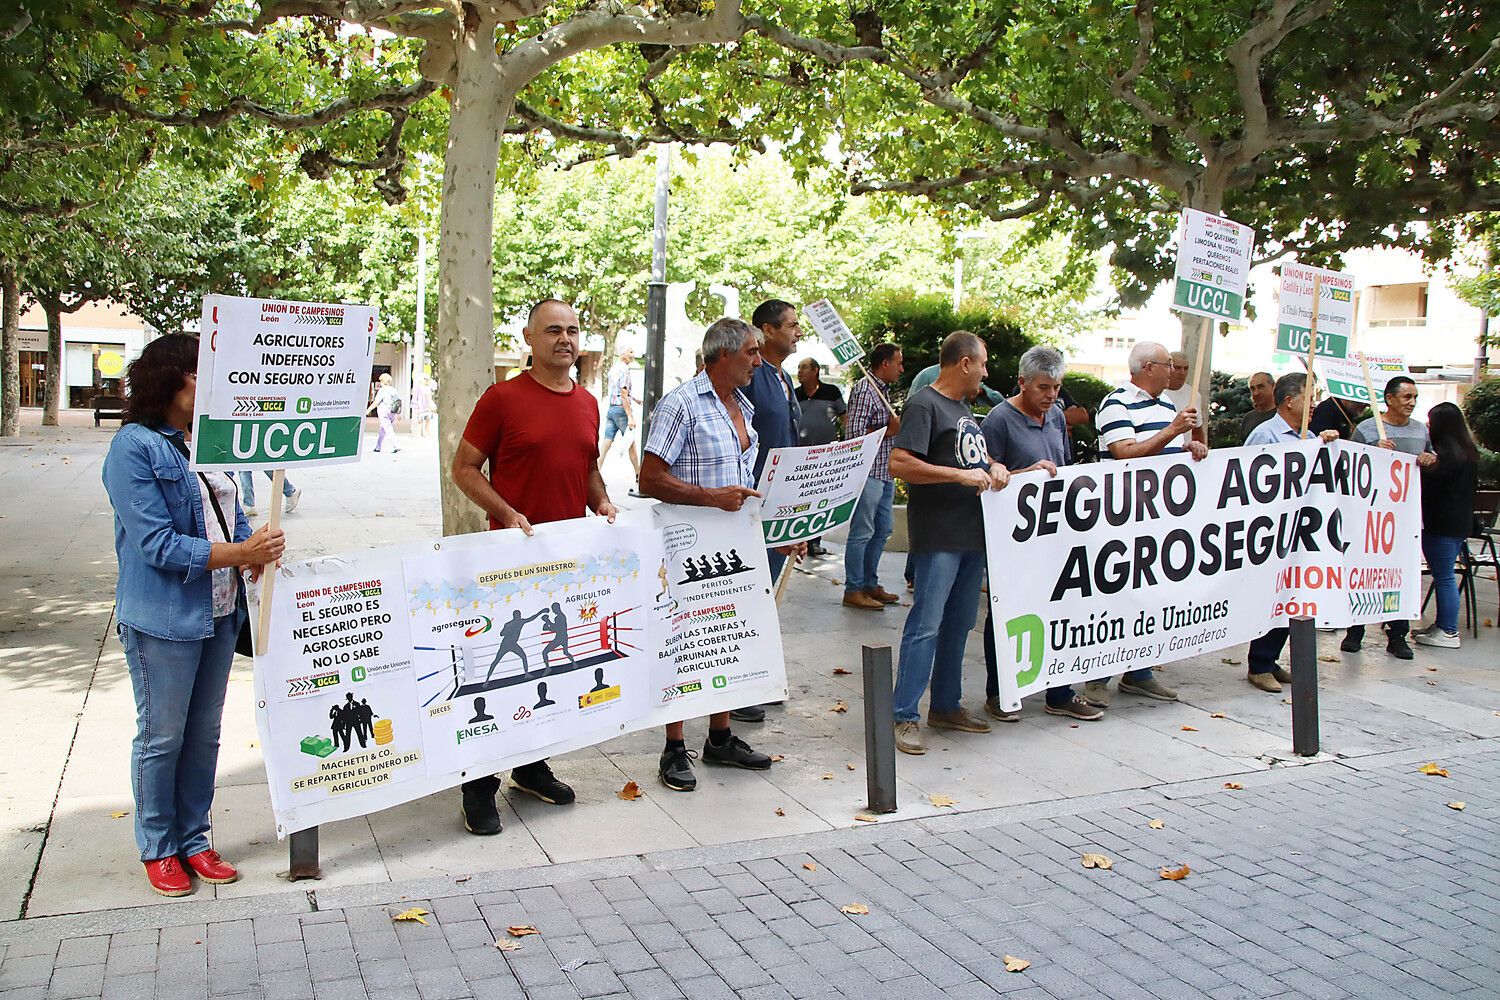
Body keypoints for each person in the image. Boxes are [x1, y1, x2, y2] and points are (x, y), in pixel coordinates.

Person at [101, 333, 285, 897]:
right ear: (170, 378)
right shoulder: (135, 447)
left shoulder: (213, 439)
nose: (215, 382)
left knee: (205, 736)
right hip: (164, 617)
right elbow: (157, 543)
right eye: (202, 371)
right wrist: (238, 554)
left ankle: (196, 838)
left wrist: (254, 548)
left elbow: (228, 514)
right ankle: (158, 848)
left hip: (220, 611)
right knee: (163, 735)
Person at [450, 298, 619, 833]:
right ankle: (477, 784)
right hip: (510, 566)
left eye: (572, 330)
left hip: (566, 567)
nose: (564, 339)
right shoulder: (502, 399)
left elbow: (587, 471)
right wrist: (505, 511)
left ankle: (529, 765)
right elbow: (465, 468)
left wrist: (605, 504)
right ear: (529, 338)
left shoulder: (589, 403)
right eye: (552, 330)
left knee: (549, 669)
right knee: (497, 674)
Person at [639, 317, 779, 790]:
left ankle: (720, 738)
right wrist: (711, 497)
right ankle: (674, 748)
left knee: (727, 635)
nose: (758, 362)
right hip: (687, 542)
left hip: (735, 540)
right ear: (722, 355)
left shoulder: (742, 404)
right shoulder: (682, 404)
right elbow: (649, 479)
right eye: (751, 353)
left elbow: (745, 479)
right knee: (686, 641)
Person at [889, 331, 1011, 755]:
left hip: (972, 533)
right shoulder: (924, 403)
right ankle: (904, 714)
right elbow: (899, 462)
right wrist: (958, 476)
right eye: (983, 363)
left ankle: (946, 705)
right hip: (940, 534)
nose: (986, 371)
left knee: (959, 625)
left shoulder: (963, 409)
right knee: (926, 624)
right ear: (964, 363)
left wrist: (994, 466)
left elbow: (972, 460)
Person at [1083, 341, 1208, 707]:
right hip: (1124, 519)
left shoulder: (1165, 404)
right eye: (1168, 365)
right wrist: (1172, 431)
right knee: (1117, 599)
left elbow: (1162, 450)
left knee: (1150, 598)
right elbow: (1124, 453)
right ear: (1148, 367)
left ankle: (1139, 672)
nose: (1174, 371)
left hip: (1159, 518)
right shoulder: (1116, 404)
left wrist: (1191, 446)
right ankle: (1095, 676)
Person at [979, 347, 1101, 722]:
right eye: (1043, 387)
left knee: (1058, 608)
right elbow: (985, 472)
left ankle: (1059, 692)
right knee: (1006, 609)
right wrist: (1020, 472)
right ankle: (999, 692)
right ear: (1022, 382)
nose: (1051, 396)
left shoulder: (1056, 416)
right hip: (1012, 537)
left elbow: (1060, 467)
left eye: (1056, 388)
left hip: (1053, 532)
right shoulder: (999, 420)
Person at [1243, 373, 1343, 691]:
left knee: (1293, 597)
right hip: (1271, 533)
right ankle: (1258, 665)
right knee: (1273, 598)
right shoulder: (1265, 435)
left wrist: (1321, 447)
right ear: (1289, 401)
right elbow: (1249, 480)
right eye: (1308, 397)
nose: (1314, 404)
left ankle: (1270, 659)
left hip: (1298, 532)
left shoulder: (1309, 436)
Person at [738, 300, 808, 724]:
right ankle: (741, 684)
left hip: (781, 504)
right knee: (749, 593)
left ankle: (758, 674)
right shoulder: (752, 377)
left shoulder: (781, 378)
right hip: (753, 505)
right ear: (766, 330)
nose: (799, 331)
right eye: (792, 325)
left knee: (765, 595)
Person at [1341, 376, 1438, 660]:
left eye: (1415, 397)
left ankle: (1398, 635)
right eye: (1406, 397)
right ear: (1390, 399)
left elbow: (1431, 458)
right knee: (1363, 573)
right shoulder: (1368, 429)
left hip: (1404, 519)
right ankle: (1354, 629)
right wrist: (1372, 454)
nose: (1411, 402)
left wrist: (1431, 460)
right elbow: (1349, 464)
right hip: (1371, 516)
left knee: (1400, 576)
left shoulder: (1421, 430)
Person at [842, 343, 904, 610]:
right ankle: (853, 588)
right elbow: (854, 436)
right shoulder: (865, 390)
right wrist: (888, 431)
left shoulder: (882, 390)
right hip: (867, 472)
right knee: (863, 531)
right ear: (884, 364)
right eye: (898, 363)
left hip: (884, 471)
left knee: (883, 529)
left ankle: (869, 583)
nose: (902, 369)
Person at [1415, 402, 1479, 649]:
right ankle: (1443, 625)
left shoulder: (1443, 460)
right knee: (1446, 576)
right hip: (1460, 524)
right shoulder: (1468, 454)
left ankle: (1448, 630)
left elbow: (1429, 489)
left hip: (1440, 524)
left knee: (1444, 577)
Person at [794, 358, 847, 557]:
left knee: (819, 499)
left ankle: (814, 541)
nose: (799, 371)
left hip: (824, 457)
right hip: (800, 455)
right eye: (799, 367)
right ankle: (800, 540)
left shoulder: (831, 391)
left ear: (816, 370)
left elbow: (845, 418)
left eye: (804, 367)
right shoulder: (794, 394)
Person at [598, 348, 640, 479]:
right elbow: (623, 393)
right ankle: (639, 474)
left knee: (606, 442)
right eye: (630, 352)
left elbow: (617, 391)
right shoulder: (624, 371)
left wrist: (634, 398)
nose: (632, 355)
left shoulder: (614, 368)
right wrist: (630, 416)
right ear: (623, 355)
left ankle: (596, 472)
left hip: (612, 408)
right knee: (630, 441)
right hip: (621, 410)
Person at [1161, 350, 1207, 448]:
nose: (1182, 373)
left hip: (1183, 453)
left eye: (1185, 368)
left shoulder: (1194, 395)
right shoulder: (1158, 392)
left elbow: (1197, 430)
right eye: (1177, 368)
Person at [367, 372, 402, 453]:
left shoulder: (382, 390)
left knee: (388, 429)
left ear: (382, 382)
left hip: (384, 411)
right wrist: (399, 413)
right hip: (393, 412)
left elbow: (376, 402)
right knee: (383, 429)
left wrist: (369, 409)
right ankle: (378, 446)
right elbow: (398, 402)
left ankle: (396, 445)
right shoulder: (394, 390)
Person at [1240, 371, 1277, 439]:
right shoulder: (1248, 418)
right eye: (1252, 389)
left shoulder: (1282, 416)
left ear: (1273, 387)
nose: (1256, 393)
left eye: (1260, 387)